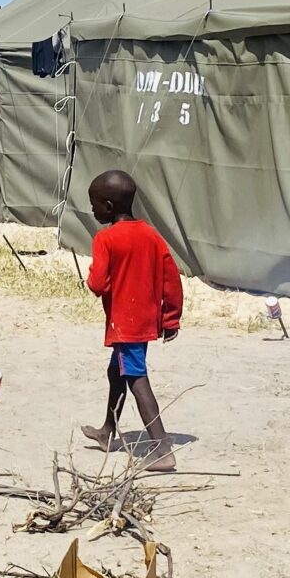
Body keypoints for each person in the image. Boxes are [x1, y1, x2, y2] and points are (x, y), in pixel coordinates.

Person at [78, 169, 182, 472]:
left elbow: (98, 284)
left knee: (137, 379)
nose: (93, 210)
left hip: (125, 325)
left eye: (94, 205)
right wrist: (171, 318)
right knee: (117, 372)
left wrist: (94, 277)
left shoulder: (106, 238)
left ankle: (162, 449)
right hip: (144, 321)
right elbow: (171, 279)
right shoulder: (151, 235)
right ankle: (107, 431)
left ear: (108, 206)